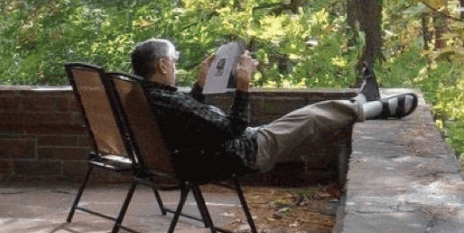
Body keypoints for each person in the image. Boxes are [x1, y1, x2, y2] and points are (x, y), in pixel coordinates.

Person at [128, 38, 418, 184]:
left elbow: (188, 122)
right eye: (174, 60)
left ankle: (363, 103)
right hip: (240, 153)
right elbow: (234, 127)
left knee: (305, 115)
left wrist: (200, 87)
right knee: (312, 118)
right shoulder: (167, 101)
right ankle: (372, 108)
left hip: (203, 155)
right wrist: (243, 86)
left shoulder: (145, 98)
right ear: (163, 66)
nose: (176, 66)